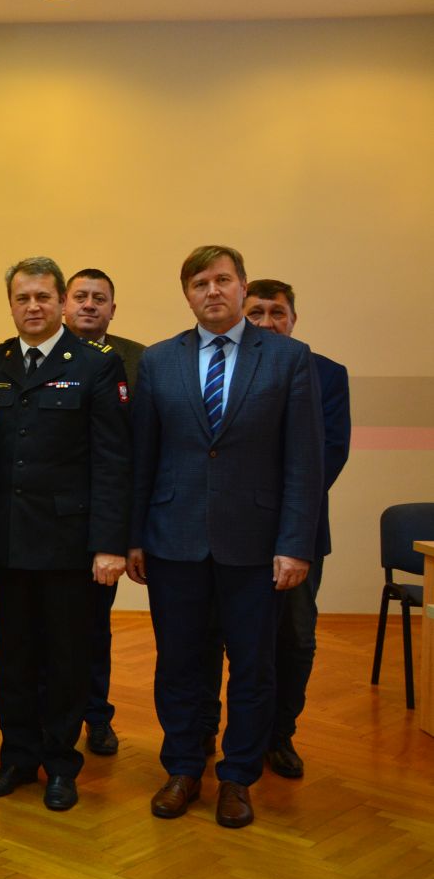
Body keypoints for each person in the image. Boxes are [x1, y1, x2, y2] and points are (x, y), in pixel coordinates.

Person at [128, 246, 322, 829]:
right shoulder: (159, 360)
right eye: (199, 283)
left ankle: (237, 776)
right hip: (173, 540)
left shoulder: (288, 358)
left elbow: (304, 462)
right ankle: (184, 768)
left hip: (256, 545)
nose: (212, 291)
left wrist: (295, 543)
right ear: (186, 294)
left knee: (253, 667)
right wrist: (134, 536)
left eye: (222, 280)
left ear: (242, 287)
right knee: (179, 663)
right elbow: (143, 457)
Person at [0, 257, 131, 813]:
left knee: (66, 659)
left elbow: (113, 461)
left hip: (69, 543)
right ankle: (17, 756)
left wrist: (109, 543)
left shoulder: (95, 365)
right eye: (23, 298)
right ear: (11, 305)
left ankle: (61, 764)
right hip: (9, 539)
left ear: (62, 301)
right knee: (14, 658)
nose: (33, 306)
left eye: (43, 296)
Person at [196, 277, 350, 780]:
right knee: (211, 635)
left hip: (296, 533)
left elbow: (327, 456)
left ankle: (278, 736)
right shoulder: (216, 365)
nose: (266, 322)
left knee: (294, 638)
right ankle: (203, 731)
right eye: (256, 313)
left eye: (276, 313)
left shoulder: (326, 373)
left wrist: (275, 515)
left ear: (293, 320)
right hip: (225, 533)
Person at [61, 267, 147, 757]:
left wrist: (128, 534)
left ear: (113, 308)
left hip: (105, 520)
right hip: (51, 521)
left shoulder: (137, 360)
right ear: (64, 304)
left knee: (94, 627)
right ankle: (52, 719)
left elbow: (138, 450)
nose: (90, 305)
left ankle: (96, 716)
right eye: (81, 296)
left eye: (100, 298)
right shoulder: (42, 353)